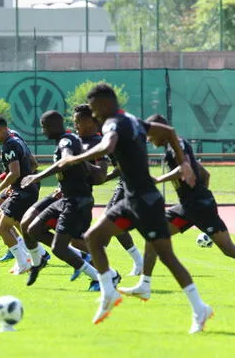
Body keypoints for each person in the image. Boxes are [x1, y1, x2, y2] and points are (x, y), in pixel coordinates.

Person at [57, 83, 211, 333]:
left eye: (95, 109)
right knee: (93, 238)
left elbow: (107, 146)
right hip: (133, 199)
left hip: (146, 202)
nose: (94, 115)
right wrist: (183, 164)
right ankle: (108, 292)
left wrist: (73, 158)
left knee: (168, 257)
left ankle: (199, 308)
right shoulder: (133, 120)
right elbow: (170, 131)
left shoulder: (112, 124)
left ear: (106, 104)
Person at [119, 114, 235, 301]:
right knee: (153, 235)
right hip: (187, 207)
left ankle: (144, 284)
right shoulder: (177, 145)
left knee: (229, 249)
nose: (149, 139)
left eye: (151, 135)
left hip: (200, 207)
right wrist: (195, 193)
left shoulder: (176, 145)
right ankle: (144, 285)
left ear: (160, 130)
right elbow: (204, 173)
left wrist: (159, 179)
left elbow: (184, 168)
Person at [21, 111, 114, 289]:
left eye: (44, 127)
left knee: (63, 246)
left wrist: (37, 177)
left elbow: (90, 172)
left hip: (77, 199)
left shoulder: (72, 141)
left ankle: (105, 276)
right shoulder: (70, 140)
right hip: (64, 196)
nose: (43, 131)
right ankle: (40, 262)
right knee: (31, 228)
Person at [71, 105, 144, 281]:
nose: (75, 125)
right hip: (126, 182)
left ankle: (98, 266)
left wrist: (105, 176)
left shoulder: (103, 139)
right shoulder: (95, 138)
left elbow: (121, 164)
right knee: (113, 222)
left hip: (131, 182)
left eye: (78, 121)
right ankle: (133, 262)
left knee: (109, 223)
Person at [0, 114, 38, 274]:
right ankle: (30, 258)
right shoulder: (16, 138)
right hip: (22, 190)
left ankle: (24, 262)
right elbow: (33, 163)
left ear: (1, 129)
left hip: (23, 193)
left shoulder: (9, 145)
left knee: (3, 227)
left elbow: (14, 173)